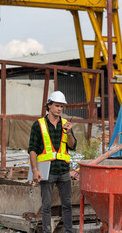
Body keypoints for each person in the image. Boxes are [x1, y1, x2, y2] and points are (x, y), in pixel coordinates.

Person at [28, 91, 77, 233]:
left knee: (67, 204)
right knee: (47, 205)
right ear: (49, 106)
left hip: (63, 170)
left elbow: (73, 146)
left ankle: (68, 231)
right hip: (46, 171)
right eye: (57, 105)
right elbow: (32, 149)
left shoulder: (65, 124)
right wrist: (35, 170)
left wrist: (68, 133)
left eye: (62, 106)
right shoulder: (38, 125)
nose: (59, 109)